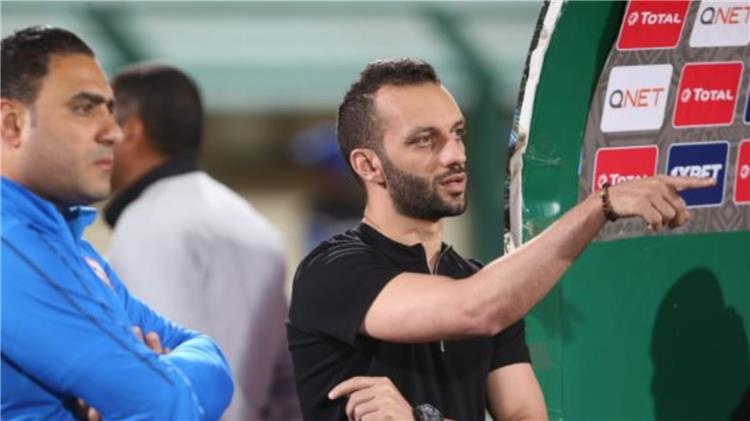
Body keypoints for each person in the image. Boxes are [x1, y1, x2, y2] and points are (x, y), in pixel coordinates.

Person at [286, 58, 715, 420]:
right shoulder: (332, 270)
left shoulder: (480, 282)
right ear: (368, 165)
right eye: (425, 141)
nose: (455, 155)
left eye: (457, 134)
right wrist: (599, 206)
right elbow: (475, 308)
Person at [1, 26, 233, 420]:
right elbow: (165, 407)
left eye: (110, 108)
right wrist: (158, 384)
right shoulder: (8, 251)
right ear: (12, 124)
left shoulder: (76, 252)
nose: (113, 131)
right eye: (83, 107)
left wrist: (160, 378)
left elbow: (212, 359)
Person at [105, 63, 301, 421]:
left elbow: (158, 371)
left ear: (131, 130)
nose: (95, 134)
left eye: (104, 115)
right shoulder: (248, 219)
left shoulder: (148, 223)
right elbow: (287, 381)